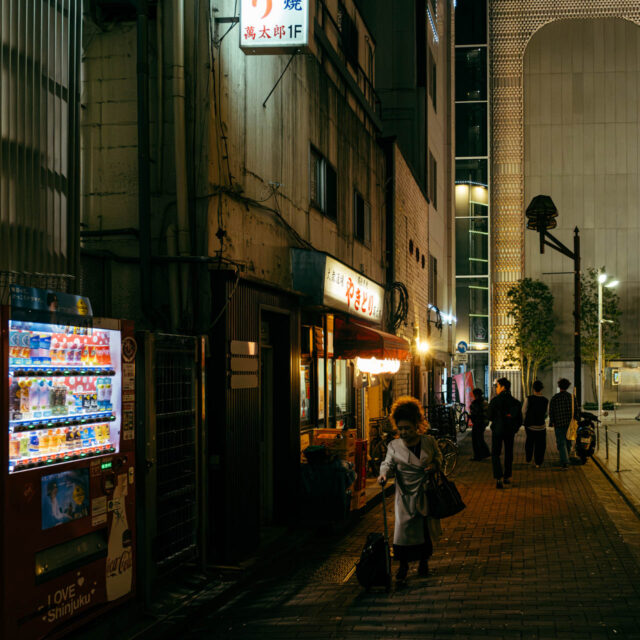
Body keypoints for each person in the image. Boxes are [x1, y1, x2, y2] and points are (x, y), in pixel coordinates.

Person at [378, 396, 443, 582]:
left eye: (408, 428)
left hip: (424, 492)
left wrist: (434, 465)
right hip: (404, 495)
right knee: (403, 531)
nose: (404, 432)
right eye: (401, 429)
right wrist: (383, 475)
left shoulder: (429, 442)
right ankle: (403, 566)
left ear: (417, 425)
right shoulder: (394, 446)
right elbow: (387, 464)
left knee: (424, 530)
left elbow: (439, 458)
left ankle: (424, 562)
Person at [488, 378, 522, 489]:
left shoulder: (495, 401)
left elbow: (489, 416)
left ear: (503, 387)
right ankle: (507, 476)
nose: (496, 389)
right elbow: (519, 419)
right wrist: (514, 428)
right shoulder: (515, 402)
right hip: (509, 431)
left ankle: (498, 478)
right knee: (508, 453)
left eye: (497, 386)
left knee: (495, 453)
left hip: (498, 429)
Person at [548, 378, 574, 470]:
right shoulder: (571, 397)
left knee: (561, 442)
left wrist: (552, 422)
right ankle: (565, 458)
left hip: (559, 423)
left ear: (559, 386)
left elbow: (551, 411)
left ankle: (565, 462)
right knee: (568, 442)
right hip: (569, 424)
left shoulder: (555, 398)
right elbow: (576, 411)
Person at [522, 380, 549, 468]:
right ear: (542, 389)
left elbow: (523, 411)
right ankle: (538, 462)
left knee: (529, 442)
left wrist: (525, 420)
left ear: (533, 388)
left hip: (530, 426)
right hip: (541, 426)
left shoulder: (528, 398)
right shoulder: (545, 400)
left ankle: (528, 459)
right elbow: (547, 413)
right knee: (540, 445)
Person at [469, 388, 491, 461]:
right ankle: (481, 454)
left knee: (477, 439)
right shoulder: (482, 402)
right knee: (478, 438)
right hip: (481, 423)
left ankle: (480, 455)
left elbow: (480, 413)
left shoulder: (479, 403)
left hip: (479, 423)